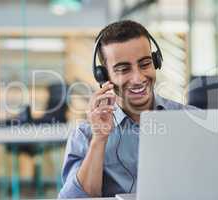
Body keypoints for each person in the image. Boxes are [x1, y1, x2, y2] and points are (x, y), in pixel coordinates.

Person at [58, 20, 195, 198]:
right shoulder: (86, 135)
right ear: (104, 76)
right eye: (123, 69)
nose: (138, 78)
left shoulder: (191, 119)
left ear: (156, 62)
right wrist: (99, 139)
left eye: (145, 64)